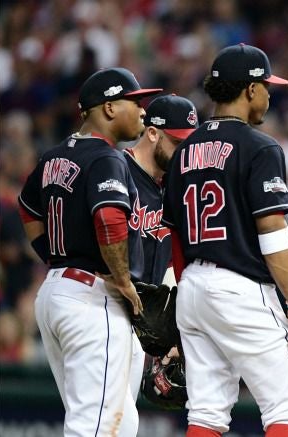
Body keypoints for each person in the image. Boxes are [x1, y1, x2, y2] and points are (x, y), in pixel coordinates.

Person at [161, 44, 288, 437]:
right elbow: (273, 229)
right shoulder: (259, 147)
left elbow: (173, 235)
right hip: (241, 288)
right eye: (264, 85)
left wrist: (183, 298)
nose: (268, 93)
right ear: (248, 90)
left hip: (193, 286)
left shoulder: (183, 151)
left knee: (206, 413)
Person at [18, 67, 161, 436]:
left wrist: (56, 257)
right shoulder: (105, 157)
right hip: (92, 298)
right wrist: (124, 278)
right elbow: (110, 217)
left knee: (118, 421)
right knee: (95, 426)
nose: (143, 111)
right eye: (135, 102)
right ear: (110, 108)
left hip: (58, 291)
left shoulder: (53, 156)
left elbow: (28, 211)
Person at [124, 93, 198, 405]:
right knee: (110, 418)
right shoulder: (118, 171)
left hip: (145, 319)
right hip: (110, 305)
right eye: (177, 142)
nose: (183, 153)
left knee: (122, 419)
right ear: (152, 133)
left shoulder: (174, 184)